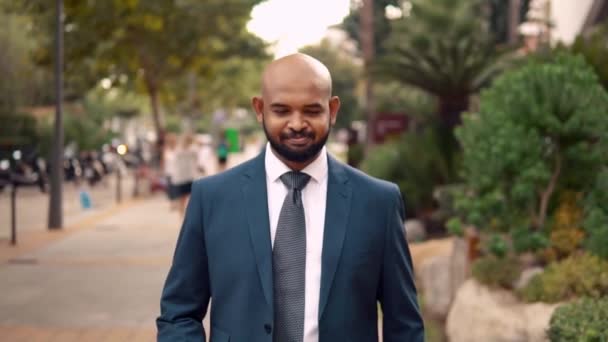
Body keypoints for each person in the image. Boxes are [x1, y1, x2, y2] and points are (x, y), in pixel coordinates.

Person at [157, 53, 424, 342]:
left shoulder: (378, 203)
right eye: (282, 111)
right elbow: (179, 312)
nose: (297, 124)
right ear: (259, 109)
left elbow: (404, 324)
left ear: (332, 110)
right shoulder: (211, 198)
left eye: (311, 111)